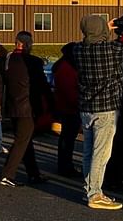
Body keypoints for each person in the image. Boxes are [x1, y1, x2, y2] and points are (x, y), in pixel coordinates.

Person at [73, 15, 123, 210]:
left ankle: (90, 188)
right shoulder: (112, 50)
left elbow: (85, 41)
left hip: (86, 108)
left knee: (88, 152)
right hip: (106, 109)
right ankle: (95, 194)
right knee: (101, 155)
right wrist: (114, 28)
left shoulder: (78, 50)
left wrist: (106, 28)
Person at [0, 31, 47, 187]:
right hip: (27, 106)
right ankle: (7, 174)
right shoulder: (34, 62)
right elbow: (42, 85)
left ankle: (33, 173)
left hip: (12, 105)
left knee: (25, 140)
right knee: (22, 140)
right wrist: (51, 104)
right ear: (28, 44)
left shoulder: (7, 60)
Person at [52, 42, 82, 178]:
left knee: (66, 138)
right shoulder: (67, 68)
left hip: (64, 106)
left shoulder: (62, 66)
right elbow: (69, 90)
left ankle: (65, 164)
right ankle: (65, 166)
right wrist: (77, 104)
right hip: (70, 107)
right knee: (68, 139)